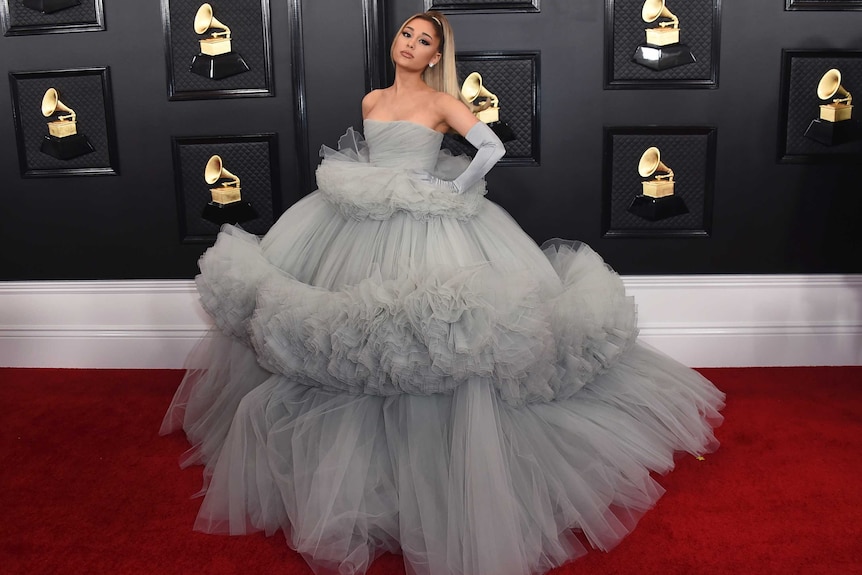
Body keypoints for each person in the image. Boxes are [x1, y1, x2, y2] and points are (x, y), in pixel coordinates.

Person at [161, 10, 724, 575]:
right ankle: (365, 463)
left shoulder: (441, 103)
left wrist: (451, 187)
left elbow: (490, 148)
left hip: (430, 228)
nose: (410, 43)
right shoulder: (372, 100)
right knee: (360, 334)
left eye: (424, 40)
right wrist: (374, 185)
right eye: (406, 33)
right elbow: (372, 158)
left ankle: (435, 467)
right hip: (355, 225)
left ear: (436, 57)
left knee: (434, 335)